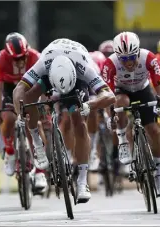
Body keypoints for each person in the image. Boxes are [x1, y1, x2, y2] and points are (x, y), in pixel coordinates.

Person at [12, 38, 116, 203]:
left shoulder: (84, 67)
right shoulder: (44, 63)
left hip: (75, 85)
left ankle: (82, 181)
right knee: (29, 100)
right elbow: (19, 89)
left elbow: (109, 95)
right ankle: (37, 142)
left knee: (79, 123)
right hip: (49, 77)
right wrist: (20, 112)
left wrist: (90, 104)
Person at [102, 31, 160, 196]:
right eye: (124, 59)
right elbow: (105, 94)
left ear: (138, 52)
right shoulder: (110, 63)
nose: (129, 62)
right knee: (121, 102)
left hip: (143, 89)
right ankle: (123, 138)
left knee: (154, 129)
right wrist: (110, 116)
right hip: (121, 91)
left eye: (132, 57)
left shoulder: (148, 57)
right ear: (118, 56)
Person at [0, 33, 48, 190]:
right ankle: (10, 151)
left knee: (34, 124)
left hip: (29, 87)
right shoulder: (0, 58)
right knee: (8, 118)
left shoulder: (36, 56)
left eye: (23, 57)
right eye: (16, 59)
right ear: (8, 55)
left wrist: (44, 107)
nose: (20, 61)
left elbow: (43, 85)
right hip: (9, 88)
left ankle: (40, 170)